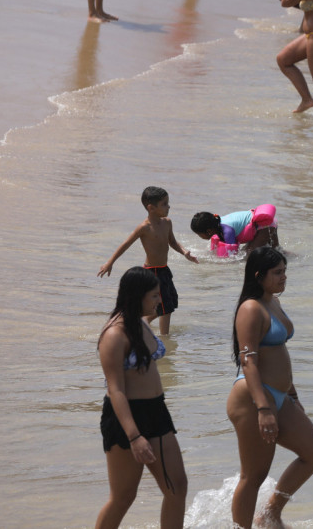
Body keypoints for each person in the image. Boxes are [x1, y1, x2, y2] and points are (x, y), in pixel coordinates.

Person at [227, 248, 313, 529]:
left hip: (280, 397)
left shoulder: (273, 302)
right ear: (259, 276)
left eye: (285, 271)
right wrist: (263, 408)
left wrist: (292, 396)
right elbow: (248, 361)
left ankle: (270, 513)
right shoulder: (250, 308)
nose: (284, 277)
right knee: (253, 475)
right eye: (278, 273)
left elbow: (279, 354)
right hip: (253, 398)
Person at [96, 267, 188, 529]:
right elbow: (116, 390)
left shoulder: (143, 322)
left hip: (157, 412)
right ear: (136, 296)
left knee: (177, 487)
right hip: (127, 418)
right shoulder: (114, 334)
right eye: (153, 296)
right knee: (123, 497)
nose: (159, 300)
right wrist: (134, 437)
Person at [98, 187, 199, 335]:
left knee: (168, 304)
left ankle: (140, 324)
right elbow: (125, 244)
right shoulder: (144, 227)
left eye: (168, 203)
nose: (168, 206)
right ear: (151, 208)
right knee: (164, 307)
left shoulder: (167, 223)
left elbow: (172, 242)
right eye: (164, 204)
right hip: (152, 272)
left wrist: (184, 252)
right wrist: (110, 262)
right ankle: (161, 335)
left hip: (164, 270)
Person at [190, 206, 280, 254]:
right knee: (277, 251)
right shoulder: (218, 224)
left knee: (249, 254)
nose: (199, 236)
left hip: (264, 226)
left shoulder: (227, 231)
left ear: (209, 231)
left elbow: (232, 255)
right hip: (267, 223)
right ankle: (293, 259)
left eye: (199, 234)